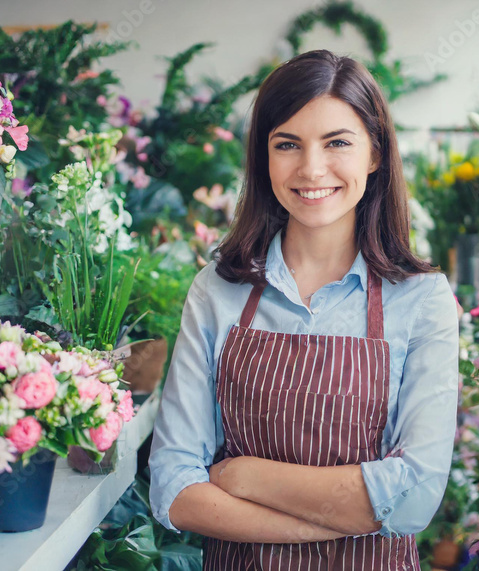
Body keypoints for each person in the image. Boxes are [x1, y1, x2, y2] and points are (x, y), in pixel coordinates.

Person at [148, 49, 459, 570]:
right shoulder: (217, 291)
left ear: (376, 153)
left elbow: (414, 498)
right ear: (263, 158)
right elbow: (175, 489)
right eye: (287, 144)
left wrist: (245, 476)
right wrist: (344, 519)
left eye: (337, 142)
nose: (312, 168)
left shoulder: (421, 299)